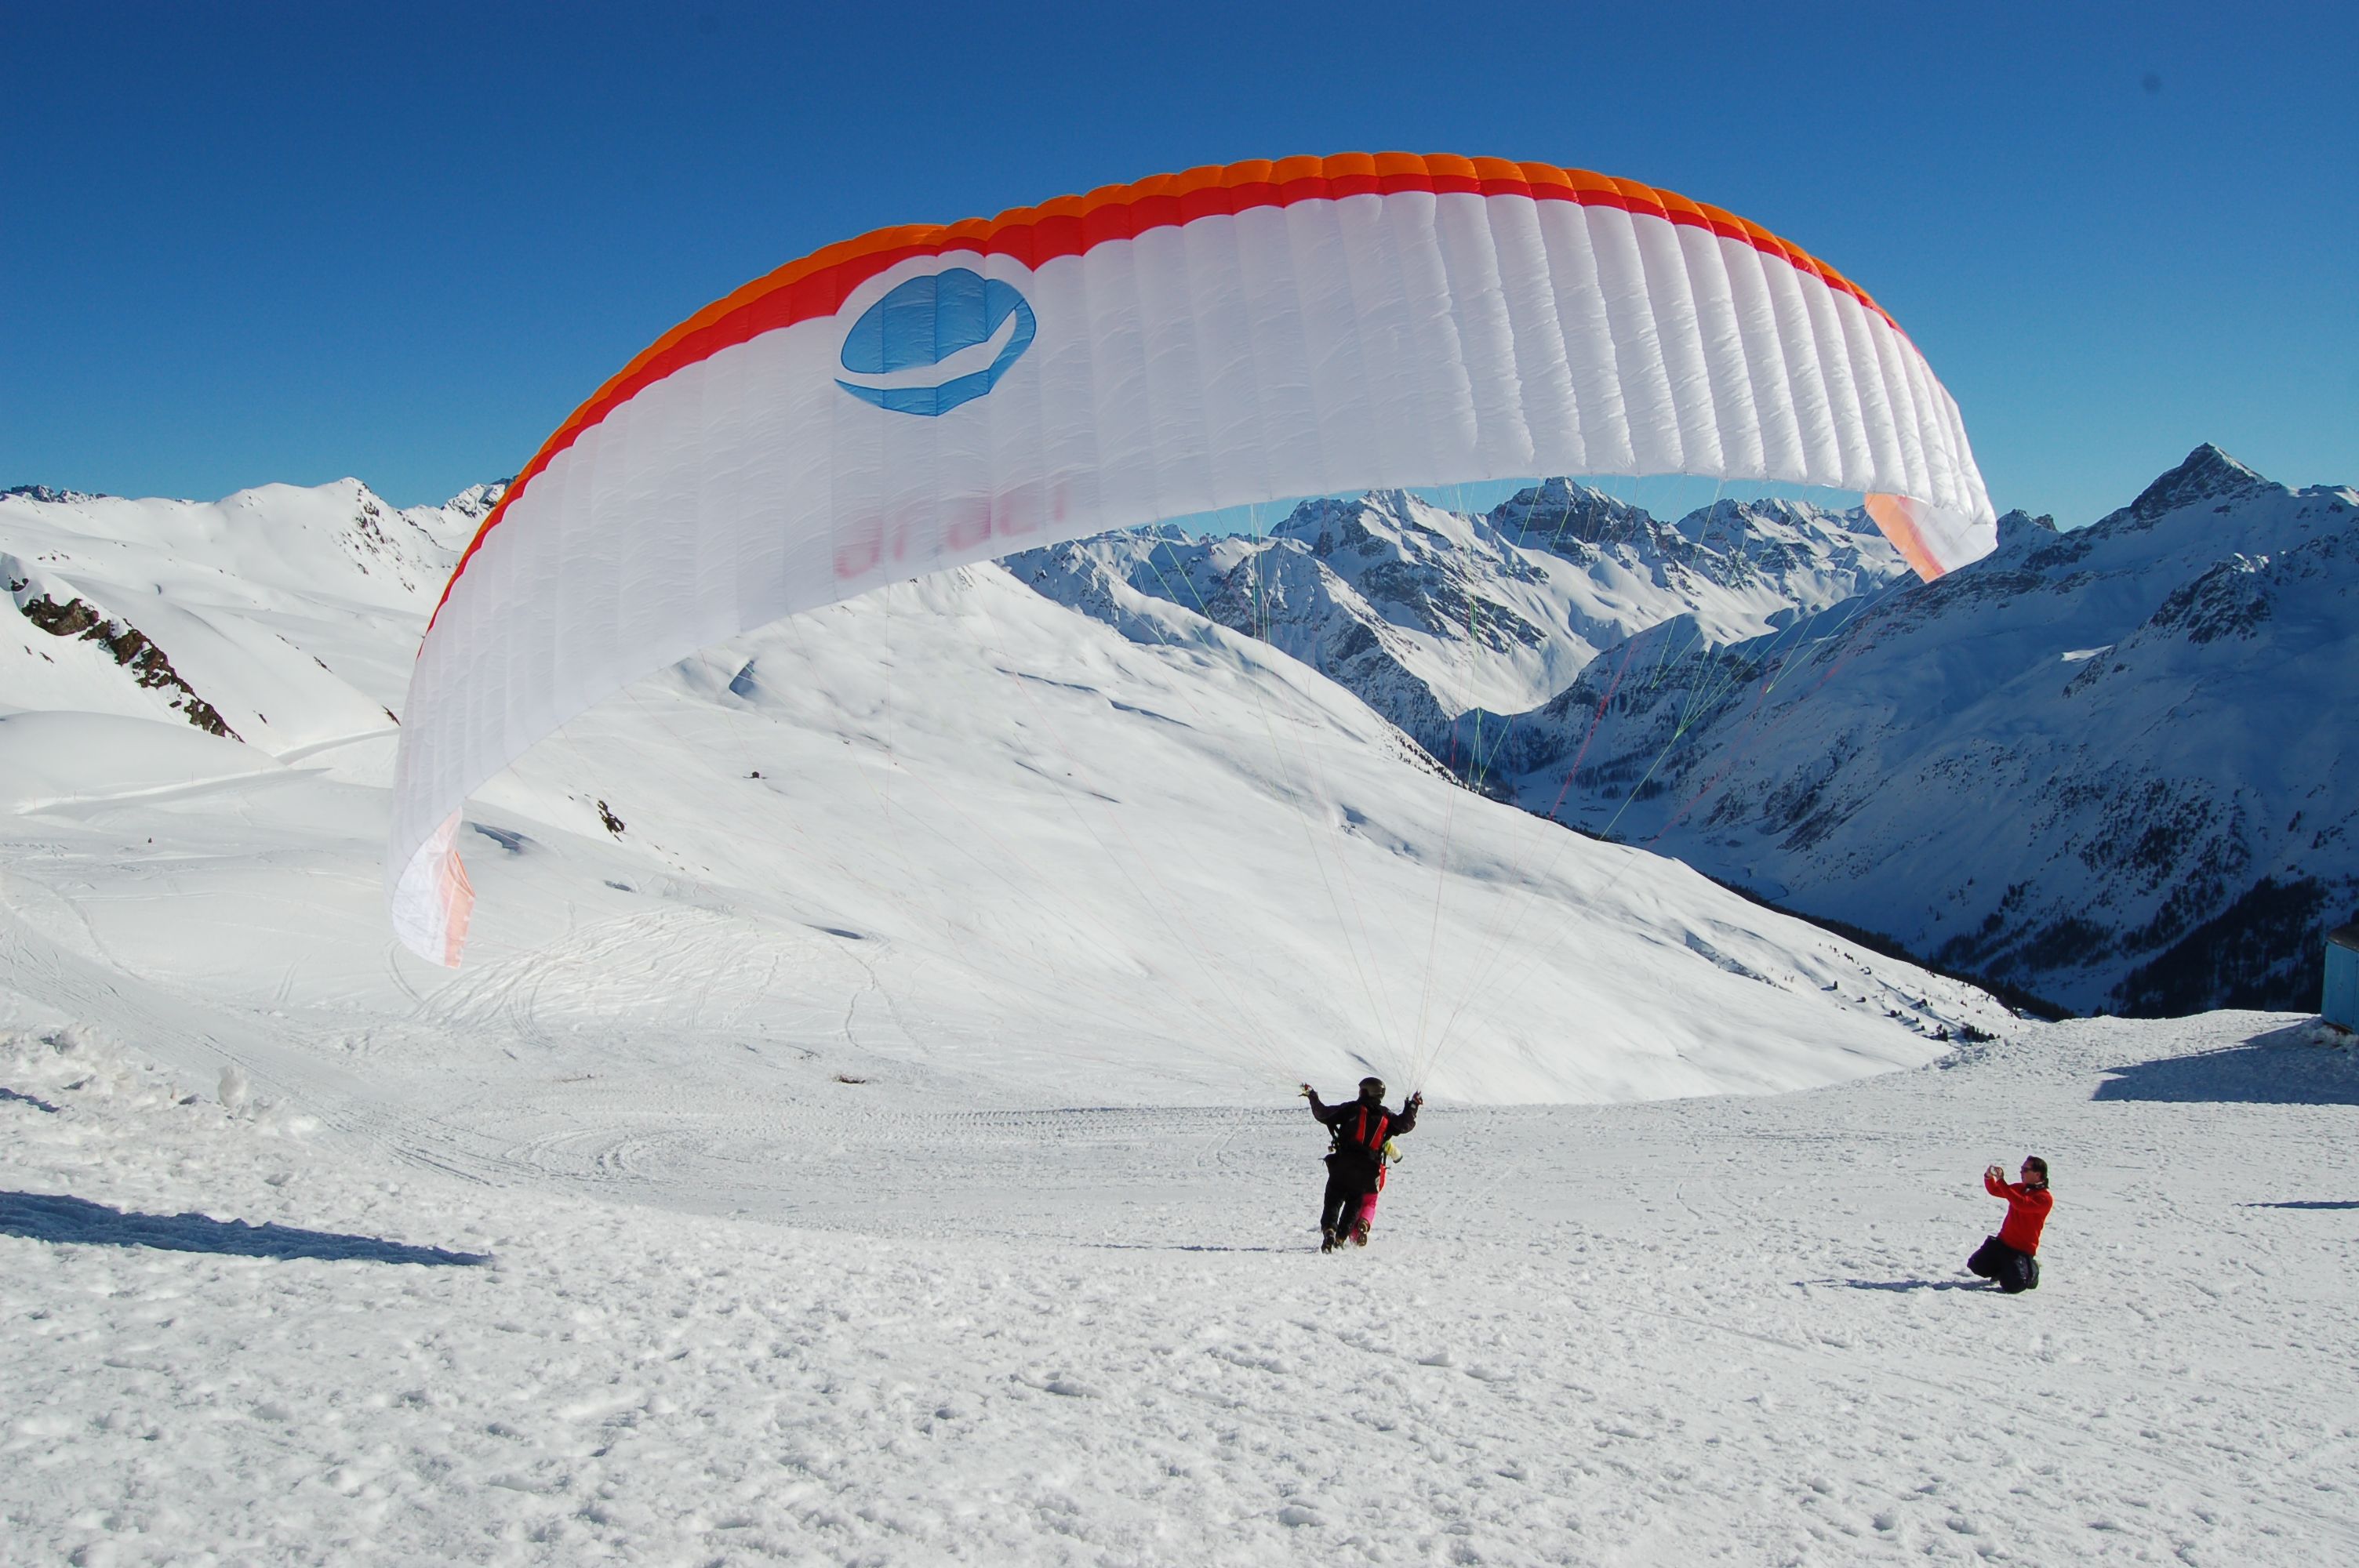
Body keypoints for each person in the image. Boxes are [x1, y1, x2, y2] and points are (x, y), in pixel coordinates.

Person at [1300, 1076, 1419, 1252]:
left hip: (1343, 1164)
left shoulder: (1351, 1109)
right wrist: (1413, 1106)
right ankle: (1341, 1238)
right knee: (1354, 1204)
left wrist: (1312, 1096)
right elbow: (1405, 1124)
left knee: (1333, 1200)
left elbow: (1323, 1114)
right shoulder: (1385, 1115)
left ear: (1364, 1092)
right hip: (1368, 1171)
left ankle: (1330, 1231)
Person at [1967, 1156, 2052, 1293]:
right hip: (2003, 1243)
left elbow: (2020, 1204)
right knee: (1977, 1265)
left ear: (2037, 1174)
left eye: (2025, 1170)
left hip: (2021, 1250)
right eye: (2021, 1169)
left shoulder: (2044, 1198)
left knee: (2014, 1286)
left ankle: (2032, 1269)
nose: (2021, 1173)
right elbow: (1995, 1190)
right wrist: (1989, 1177)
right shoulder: (2020, 1188)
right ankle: (2003, 1270)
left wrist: (2002, 1181)